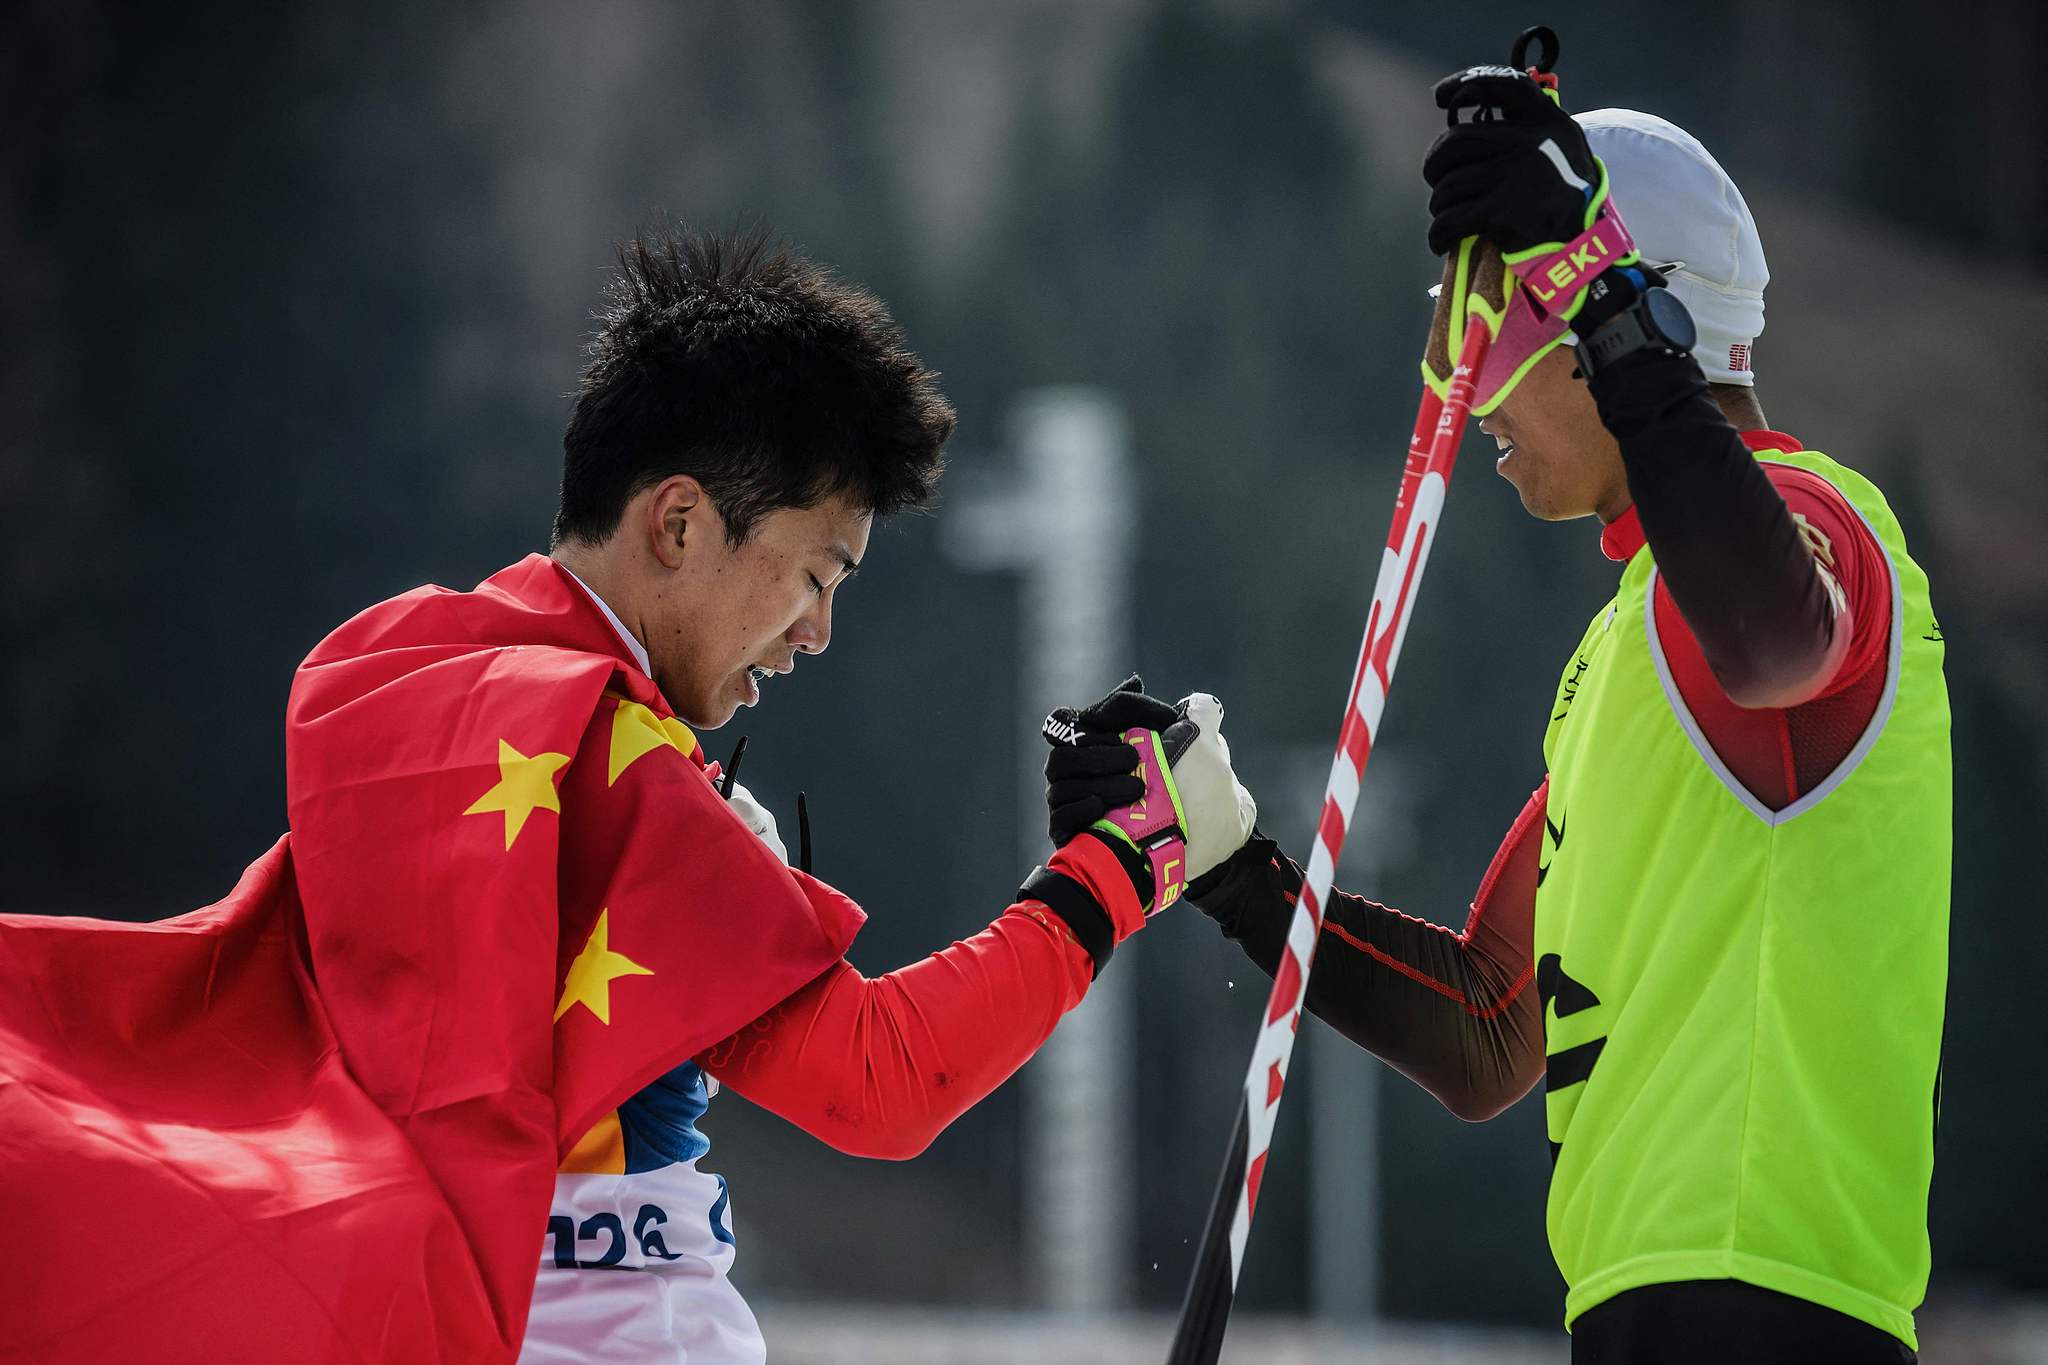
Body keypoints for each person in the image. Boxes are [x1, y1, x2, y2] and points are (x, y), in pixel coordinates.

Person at [0, 226, 1241, 1365]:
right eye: (817, 572)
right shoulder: (608, 758)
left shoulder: (402, 673)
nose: (816, 632)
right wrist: (1122, 867)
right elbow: (881, 1082)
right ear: (681, 522)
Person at [1048, 71, 1948, 1364]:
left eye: (1495, 332)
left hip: (1769, 1300)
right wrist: (1234, 868)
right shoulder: (1627, 644)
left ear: (1622, 311)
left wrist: (1599, 293)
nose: (1468, 395)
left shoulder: (1818, 525)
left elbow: (1774, 643)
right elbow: (1486, 1024)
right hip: (1639, 1303)